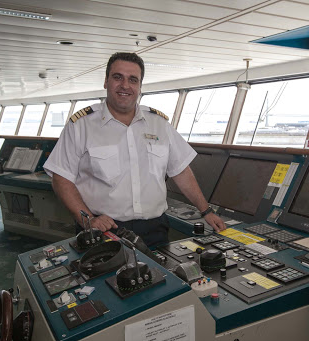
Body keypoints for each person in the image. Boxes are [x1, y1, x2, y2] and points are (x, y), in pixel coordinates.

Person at [44, 52, 226, 247]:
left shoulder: (159, 124)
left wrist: (206, 210)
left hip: (154, 230)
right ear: (106, 82)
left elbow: (180, 171)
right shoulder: (81, 125)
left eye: (133, 80)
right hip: (104, 230)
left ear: (139, 86)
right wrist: (87, 220)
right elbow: (61, 178)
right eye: (117, 77)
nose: (125, 85)